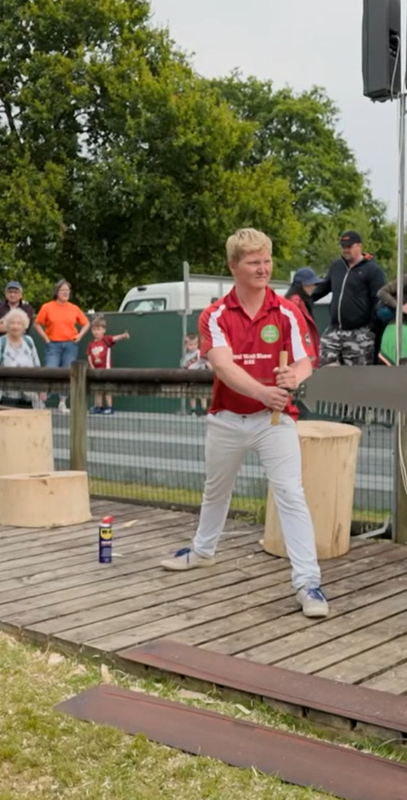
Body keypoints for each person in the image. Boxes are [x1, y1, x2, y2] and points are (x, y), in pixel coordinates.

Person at [160, 228, 329, 619]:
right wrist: (264, 392)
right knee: (216, 490)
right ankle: (203, 552)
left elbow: (305, 359)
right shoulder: (214, 315)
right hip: (226, 419)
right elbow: (222, 365)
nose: (263, 268)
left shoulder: (288, 310)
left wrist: (294, 378)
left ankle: (308, 583)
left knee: (290, 493)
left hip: (275, 422)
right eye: (254, 261)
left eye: (267, 260)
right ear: (233, 266)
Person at [310, 231, 387, 367]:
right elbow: (324, 287)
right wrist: (305, 298)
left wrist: (371, 328)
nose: (345, 250)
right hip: (334, 330)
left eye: (349, 247)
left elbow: (379, 300)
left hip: (359, 333)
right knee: (325, 369)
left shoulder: (372, 270)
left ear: (359, 246)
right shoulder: (337, 266)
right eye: (343, 246)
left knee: (357, 378)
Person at [34, 279, 89, 411]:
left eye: (67, 291)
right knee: (50, 371)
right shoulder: (47, 307)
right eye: (63, 290)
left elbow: (86, 323)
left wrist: (80, 336)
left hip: (70, 345)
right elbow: (37, 324)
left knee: (67, 373)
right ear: (57, 292)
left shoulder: (74, 308)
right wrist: (46, 338)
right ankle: (42, 401)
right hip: (53, 344)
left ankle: (62, 402)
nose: (65, 293)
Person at [0, 308, 42, 408]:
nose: (15, 326)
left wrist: (41, 389)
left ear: (24, 326)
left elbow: (37, 366)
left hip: (29, 396)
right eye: (12, 323)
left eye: (19, 323)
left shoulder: (29, 341)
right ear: (7, 325)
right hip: (7, 397)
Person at [85, 316, 130, 414]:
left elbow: (115, 338)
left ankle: (110, 407)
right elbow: (89, 355)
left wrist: (123, 335)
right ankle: (99, 407)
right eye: (94, 329)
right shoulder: (91, 343)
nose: (96, 332)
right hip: (96, 370)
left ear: (104, 330)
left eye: (99, 329)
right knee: (97, 389)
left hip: (106, 370)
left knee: (107, 389)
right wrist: (91, 366)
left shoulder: (106, 340)